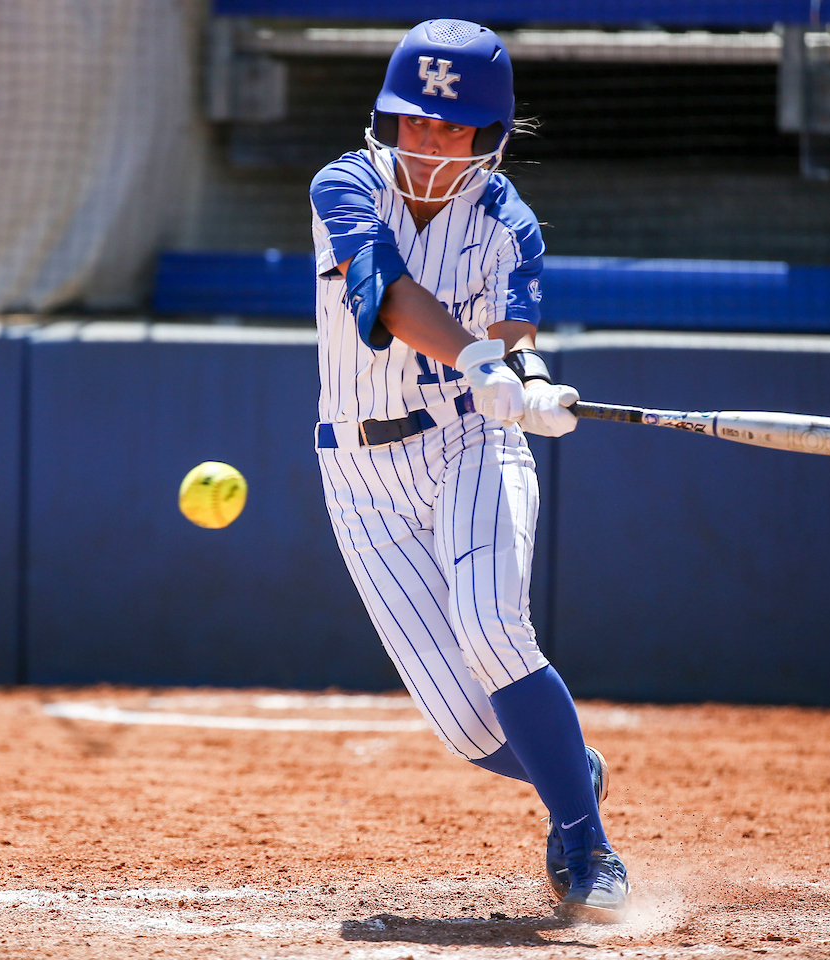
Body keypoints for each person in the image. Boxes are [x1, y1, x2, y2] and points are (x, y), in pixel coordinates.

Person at [309, 19, 629, 923]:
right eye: (412, 121)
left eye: (447, 129)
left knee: (493, 628)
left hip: (467, 446)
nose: (424, 142)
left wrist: (525, 380)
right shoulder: (343, 183)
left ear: (487, 137)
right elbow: (388, 295)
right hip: (359, 474)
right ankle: (574, 767)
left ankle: (585, 843)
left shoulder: (509, 226)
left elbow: (514, 339)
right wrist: (477, 358)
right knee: (466, 724)